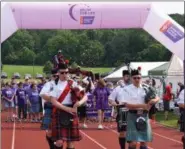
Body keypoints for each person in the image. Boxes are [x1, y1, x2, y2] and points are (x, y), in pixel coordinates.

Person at [49, 63, 88, 149]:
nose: (65, 75)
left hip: (71, 113)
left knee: (71, 144)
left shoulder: (73, 83)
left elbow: (85, 96)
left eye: (66, 72)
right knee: (59, 142)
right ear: (58, 73)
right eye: (62, 73)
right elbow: (53, 101)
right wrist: (67, 109)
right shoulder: (54, 84)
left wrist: (79, 103)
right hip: (59, 111)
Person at [121, 69, 159, 149]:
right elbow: (126, 105)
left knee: (144, 142)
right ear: (131, 78)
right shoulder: (126, 89)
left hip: (144, 115)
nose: (137, 79)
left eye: (138, 78)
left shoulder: (146, 88)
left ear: (141, 78)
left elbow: (157, 97)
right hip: (132, 116)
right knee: (133, 143)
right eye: (135, 78)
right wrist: (143, 105)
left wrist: (153, 100)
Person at [108, 70, 130, 149]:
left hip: (132, 109)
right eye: (127, 76)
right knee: (122, 133)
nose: (128, 78)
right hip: (122, 109)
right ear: (123, 77)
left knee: (132, 132)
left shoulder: (134, 87)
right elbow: (110, 99)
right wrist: (114, 103)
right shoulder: (118, 88)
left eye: (129, 76)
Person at [39, 68, 59, 149]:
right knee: (49, 132)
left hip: (60, 110)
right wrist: (53, 100)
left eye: (57, 76)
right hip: (50, 109)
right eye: (54, 76)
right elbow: (42, 94)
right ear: (52, 76)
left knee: (60, 133)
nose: (56, 77)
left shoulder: (63, 84)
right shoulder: (48, 84)